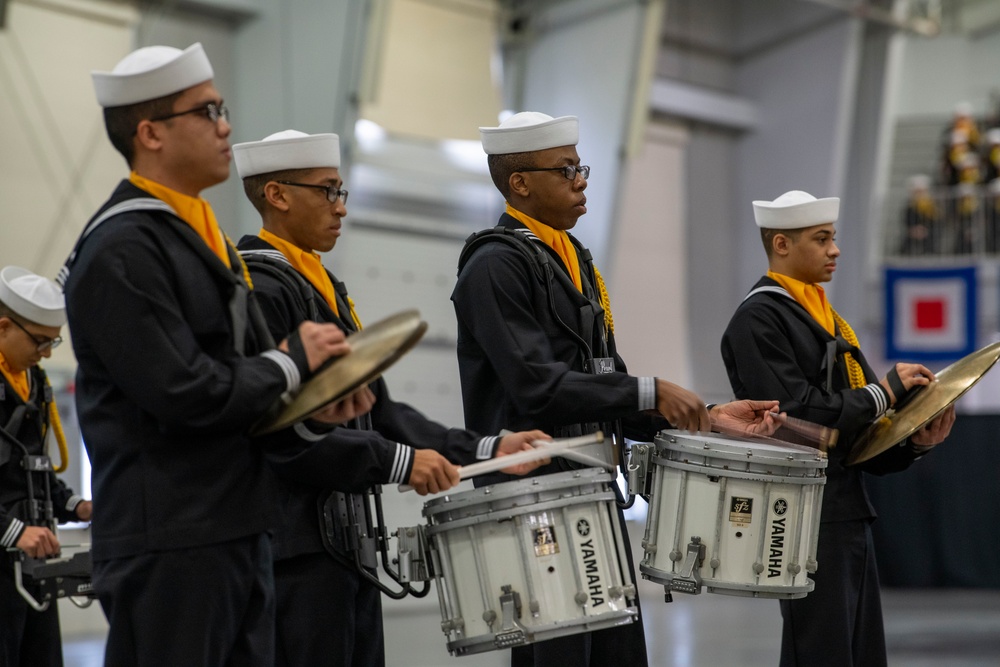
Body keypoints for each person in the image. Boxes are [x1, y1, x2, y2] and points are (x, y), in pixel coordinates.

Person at [60, 44, 354, 667]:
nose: (226, 126)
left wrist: (309, 404)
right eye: (208, 111)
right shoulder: (121, 249)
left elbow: (239, 382)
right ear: (151, 133)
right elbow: (185, 392)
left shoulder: (199, 238)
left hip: (235, 529)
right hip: (169, 542)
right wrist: (289, 363)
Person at [451, 111, 779, 667]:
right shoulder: (494, 266)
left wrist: (706, 414)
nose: (581, 180)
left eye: (581, 166)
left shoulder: (570, 259)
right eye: (566, 169)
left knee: (617, 656)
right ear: (520, 184)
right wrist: (650, 392)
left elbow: (603, 382)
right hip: (535, 500)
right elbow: (538, 386)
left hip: (589, 490)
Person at [231, 129, 549, 666]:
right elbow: (286, 432)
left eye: (342, 193)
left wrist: (487, 448)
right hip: (294, 548)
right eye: (327, 191)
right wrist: (400, 463)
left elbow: (381, 410)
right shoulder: (262, 288)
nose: (341, 209)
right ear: (277, 195)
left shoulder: (319, 286)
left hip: (344, 543)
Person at [720, 190, 956, 667]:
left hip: (844, 508)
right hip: (802, 513)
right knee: (821, 652)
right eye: (822, 238)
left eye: (834, 237)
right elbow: (793, 419)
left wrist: (912, 443)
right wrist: (885, 390)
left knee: (859, 652)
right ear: (781, 244)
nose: (836, 249)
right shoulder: (759, 318)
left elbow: (862, 436)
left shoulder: (828, 320)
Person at [0, 266, 92, 667]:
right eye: (40, 341)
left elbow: (32, 466)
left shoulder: (31, 381)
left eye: (52, 341)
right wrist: (13, 531)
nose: (48, 354)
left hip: (32, 566)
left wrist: (75, 506)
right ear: (3, 327)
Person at [899, 174, 940, 256]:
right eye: (917, 192)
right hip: (913, 233)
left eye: (921, 191)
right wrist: (914, 230)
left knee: (931, 241)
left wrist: (925, 230)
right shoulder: (910, 207)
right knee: (906, 244)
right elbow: (906, 220)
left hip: (928, 233)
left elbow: (936, 222)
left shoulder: (932, 207)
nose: (919, 194)